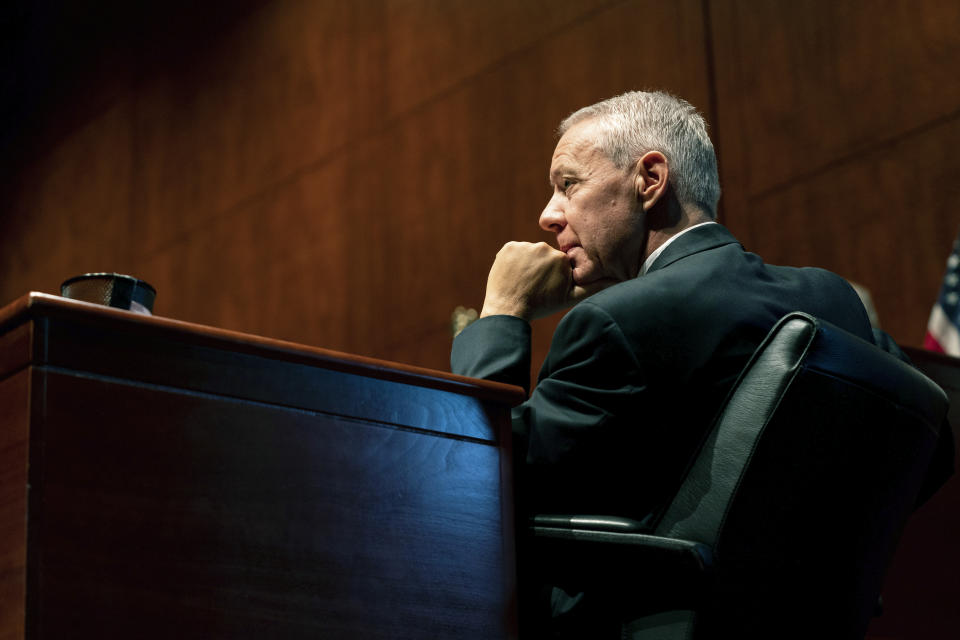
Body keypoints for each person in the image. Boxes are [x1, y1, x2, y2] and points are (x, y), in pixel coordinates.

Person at [450, 90, 951, 635]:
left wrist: (501, 312)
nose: (549, 215)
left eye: (568, 184)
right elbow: (936, 447)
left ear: (650, 179)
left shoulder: (617, 322)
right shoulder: (832, 299)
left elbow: (480, 479)